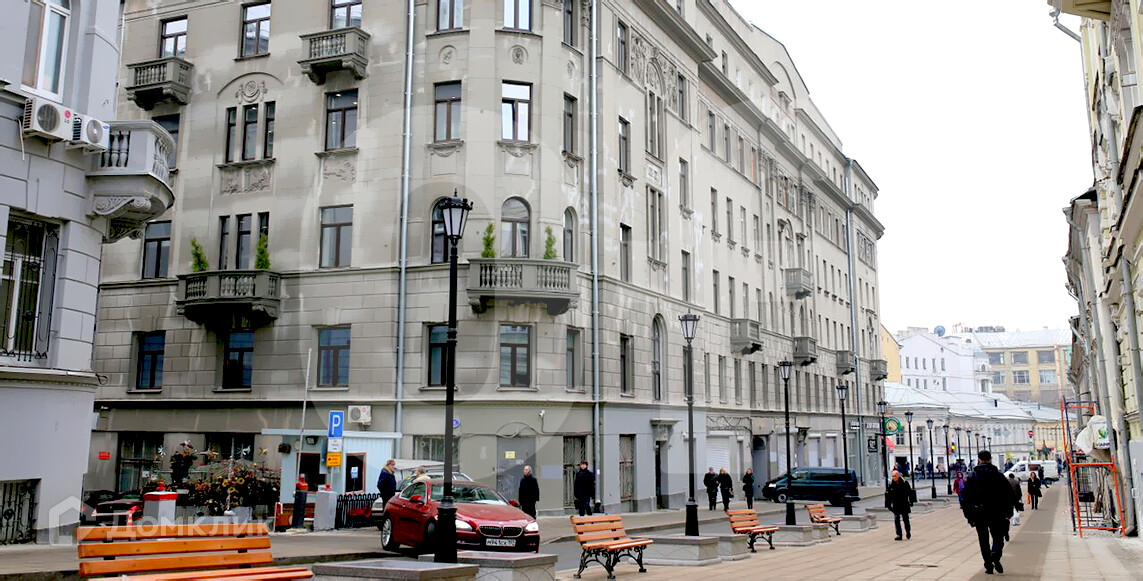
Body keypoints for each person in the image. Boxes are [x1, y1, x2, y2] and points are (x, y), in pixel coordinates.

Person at [961, 450, 1020, 575]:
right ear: (990, 460)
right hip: (997, 512)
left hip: (979, 513)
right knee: (998, 537)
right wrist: (1009, 512)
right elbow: (1009, 495)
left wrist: (969, 515)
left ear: (979, 460)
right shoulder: (999, 476)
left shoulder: (972, 477)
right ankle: (995, 555)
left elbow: (965, 498)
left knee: (983, 540)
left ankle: (988, 565)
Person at [888, 469, 913, 540]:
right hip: (896, 504)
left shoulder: (904, 483)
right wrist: (889, 505)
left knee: (905, 519)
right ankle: (899, 534)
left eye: (895, 476)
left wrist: (911, 501)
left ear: (898, 475)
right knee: (896, 519)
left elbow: (910, 492)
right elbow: (889, 495)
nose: (893, 478)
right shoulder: (891, 485)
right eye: (892, 476)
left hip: (904, 503)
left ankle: (908, 531)